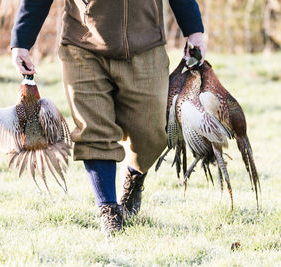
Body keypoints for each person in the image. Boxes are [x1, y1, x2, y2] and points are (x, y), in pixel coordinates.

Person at [11, 0, 206, 237]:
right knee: (92, 128)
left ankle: (134, 176)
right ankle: (108, 210)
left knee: (151, 132)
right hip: (82, 45)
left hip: (145, 45)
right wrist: (21, 41)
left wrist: (194, 31)